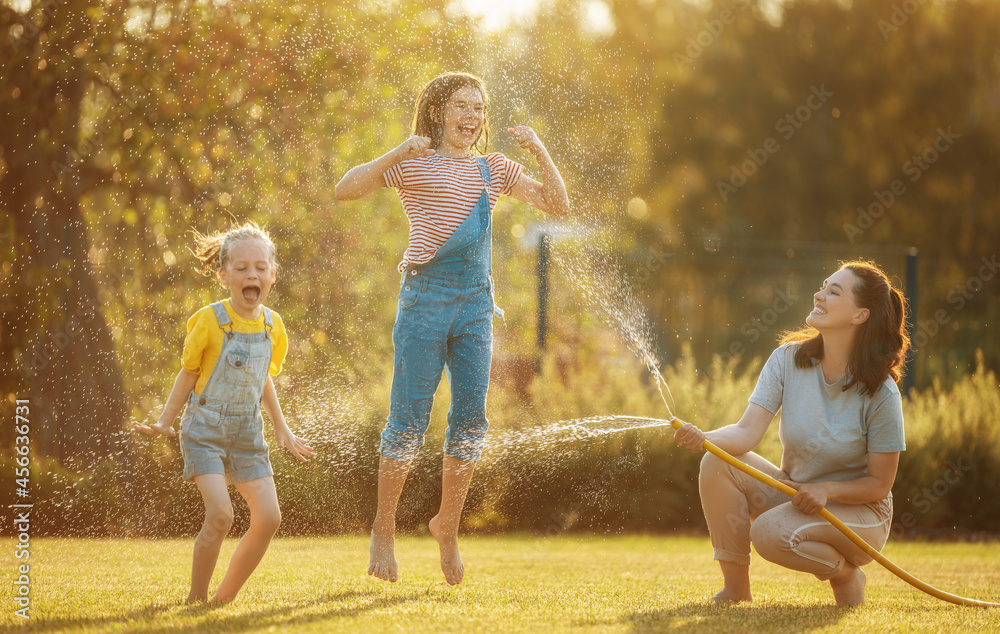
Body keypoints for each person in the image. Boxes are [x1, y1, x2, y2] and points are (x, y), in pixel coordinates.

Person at [335, 72, 569, 585]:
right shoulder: (414, 164)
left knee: (470, 421)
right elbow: (346, 188)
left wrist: (541, 149)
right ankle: (383, 528)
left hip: (475, 309)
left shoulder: (494, 169)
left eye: (480, 108)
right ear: (439, 112)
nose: (473, 116)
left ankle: (448, 526)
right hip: (423, 303)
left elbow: (558, 205)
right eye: (463, 105)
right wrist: (399, 150)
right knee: (408, 421)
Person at [673, 260, 909, 605]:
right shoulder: (787, 360)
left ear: (860, 315)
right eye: (823, 285)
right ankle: (736, 592)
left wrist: (826, 489)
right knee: (717, 462)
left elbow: (879, 484)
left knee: (767, 533)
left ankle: (846, 576)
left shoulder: (881, 393)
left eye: (834, 291)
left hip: (861, 515)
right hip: (795, 494)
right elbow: (745, 432)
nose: (819, 295)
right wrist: (703, 437)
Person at [133, 221, 315, 603]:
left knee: (269, 518)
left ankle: (222, 600)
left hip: (248, 433)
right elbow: (189, 373)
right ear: (224, 275)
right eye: (242, 267)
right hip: (204, 429)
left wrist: (281, 428)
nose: (252, 274)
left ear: (272, 275)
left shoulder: (272, 326)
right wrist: (166, 420)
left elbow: (262, 377)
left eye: (261, 267)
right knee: (221, 515)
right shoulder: (210, 321)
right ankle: (196, 600)